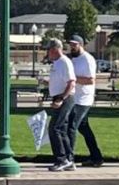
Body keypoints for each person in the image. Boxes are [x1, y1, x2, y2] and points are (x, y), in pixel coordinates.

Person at [67, 35, 103, 167]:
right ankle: (96, 157)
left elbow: (90, 80)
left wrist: (73, 80)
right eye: (71, 45)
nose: (72, 47)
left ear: (81, 45)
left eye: (74, 45)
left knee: (71, 127)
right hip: (74, 97)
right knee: (84, 128)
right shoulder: (73, 59)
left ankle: (69, 158)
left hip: (83, 99)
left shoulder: (87, 59)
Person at [46, 38, 76, 172]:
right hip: (58, 97)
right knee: (61, 129)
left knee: (54, 128)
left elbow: (71, 82)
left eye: (49, 50)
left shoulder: (64, 62)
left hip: (65, 97)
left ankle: (61, 159)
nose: (48, 53)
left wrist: (61, 98)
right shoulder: (56, 63)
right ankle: (69, 159)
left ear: (55, 49)